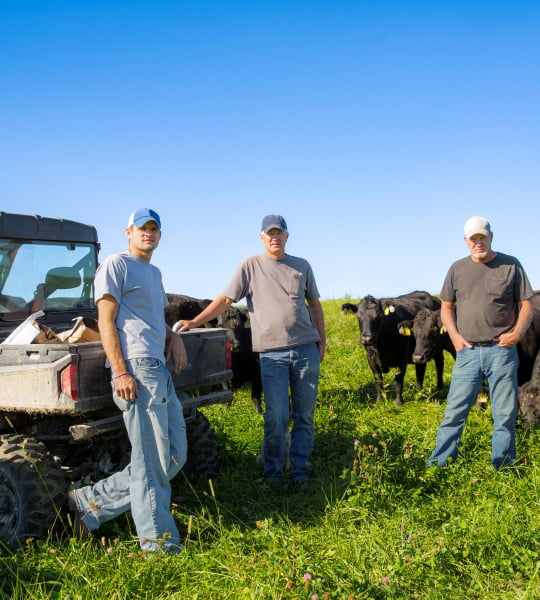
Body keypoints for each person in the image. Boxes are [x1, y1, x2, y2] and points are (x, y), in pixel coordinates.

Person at [67, 208, 188, 553]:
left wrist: (174, 336)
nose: (148, 233)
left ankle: (89, 502)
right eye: (142, 228)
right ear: (128, 232)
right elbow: (106, 320)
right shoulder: (116, 266)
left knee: (174, 455)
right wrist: (120, 370)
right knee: (152, 464)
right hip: (135, 367)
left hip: (158, 369)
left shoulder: (153, 272)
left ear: (160, 235)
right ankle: (160, 547)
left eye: (154, 229)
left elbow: (152, 318)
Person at [178, 214, 326, 488]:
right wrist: (195, 322)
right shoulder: (251, 265)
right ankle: (273, 472)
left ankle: (300, 472)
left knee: (304, 415)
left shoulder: (301, 266)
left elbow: (315, 304)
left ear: (286, 236)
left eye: (279, 233)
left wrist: (322, 341)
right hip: (272, 355)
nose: (275, 237)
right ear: (262, 237)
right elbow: (225, 299)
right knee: (276, 415)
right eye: (269, 233)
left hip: (305, 349)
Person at [427, 216, 533, 469]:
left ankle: (503, 465)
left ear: (491, 237)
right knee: (455, 410)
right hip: (468, 352)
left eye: (482, 237)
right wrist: (455, 336)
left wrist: (517, 333)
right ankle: (440, 465)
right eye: (473, 239)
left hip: (502, 351)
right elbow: (446, 307)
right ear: (466, 241)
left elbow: (526, 304)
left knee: (505, 414)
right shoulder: (457, 269)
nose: (478, 243)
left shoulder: (511, 265)